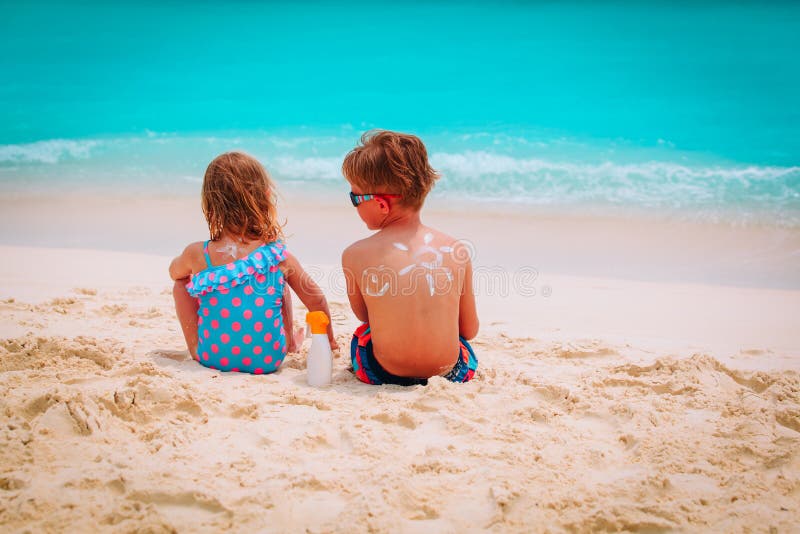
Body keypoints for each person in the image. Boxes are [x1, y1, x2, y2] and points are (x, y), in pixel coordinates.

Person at [170, 151, 336, 373]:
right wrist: (330, 342)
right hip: (269, 359)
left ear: (211, 204)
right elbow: (316, 299)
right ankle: (290, 342)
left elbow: (175, 273)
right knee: (279, 281)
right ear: (266, 196)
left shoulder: (197, 253)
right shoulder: (277, 256)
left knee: (181, 284)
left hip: (211, 356)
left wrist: (193, 270)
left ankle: (195, 346)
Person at [341, 130, 479, 385]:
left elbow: (366, 317)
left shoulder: (354, 255)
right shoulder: (457, 249)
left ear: (382, 205)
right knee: (460, 345)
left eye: (354, 198)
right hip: (450, 373)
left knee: (362, 335)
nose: (353, 205)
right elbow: (469, 330)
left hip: (383, 371)